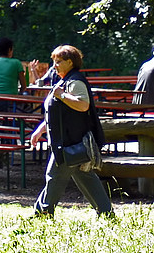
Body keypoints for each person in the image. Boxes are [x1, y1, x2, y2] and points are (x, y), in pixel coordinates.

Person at [29, 45, 112, 217]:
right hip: (67, 141)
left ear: (70, 62)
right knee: (86, 178)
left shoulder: (75, 81)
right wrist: (40, 131)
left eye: (58, 62)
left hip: (70, 142)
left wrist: (62, 95)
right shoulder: (62, 81)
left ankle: (42, 214)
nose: (55, 65)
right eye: (54, 61)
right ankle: (106, 213)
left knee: (54, 176)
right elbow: (57, 114)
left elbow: (83, 105)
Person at [0, 37, 27, 113]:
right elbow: (24, 86)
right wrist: (19, 93)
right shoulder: (17, 63)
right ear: (9, 50)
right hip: (11, 101)